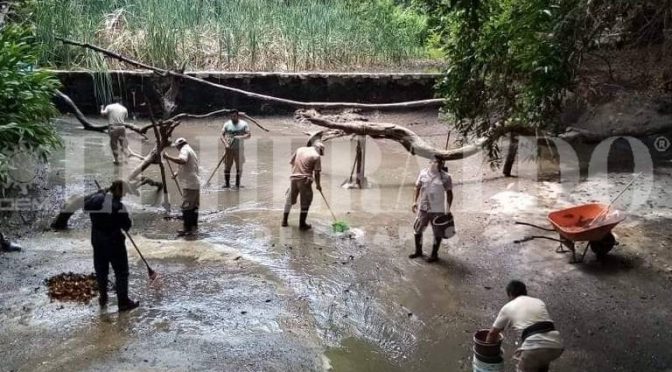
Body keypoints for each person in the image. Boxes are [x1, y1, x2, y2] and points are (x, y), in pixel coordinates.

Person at [83, 180, 139, 312]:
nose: (124, 195)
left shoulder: (96, 200)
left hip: (97, 241)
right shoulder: (119, 207)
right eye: (123, 192)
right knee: (121, 272)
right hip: (114, 243)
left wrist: (98, 194)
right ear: (118, 191)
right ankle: (123, 302)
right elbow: (127, 226)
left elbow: (85, 206)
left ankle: (103, 298)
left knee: (101, 270)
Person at [486, 280, 564, 372]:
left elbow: (492, 333)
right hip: (556, 346)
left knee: (530, 362)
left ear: (510, 294)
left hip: (534, 347)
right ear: (525, 292)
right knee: (541, 365)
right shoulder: (539, 301)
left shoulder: (508, 307)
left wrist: (487, 354)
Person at [410, 158, 453, 262]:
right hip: (423, 208)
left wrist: (448, 209)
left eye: (439, 162)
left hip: (438, 210)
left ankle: (434, 255)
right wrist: (414, 201)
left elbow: (449, 193)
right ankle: (418, 251)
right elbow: (417, 187)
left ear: (442, 164)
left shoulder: (446, 177)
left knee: (437, 233)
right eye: (433, 161)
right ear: (430, 162)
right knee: (418, 230)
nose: (435, 164)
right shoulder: (423, 173)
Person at [282, 141, 324, 230]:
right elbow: (317, 173)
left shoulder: (299, 149)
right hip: (305, 180)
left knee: (289, 200)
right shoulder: (316, 156)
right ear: (319, 149)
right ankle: (302, 224)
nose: (320, 154)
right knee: (306, 202)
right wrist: (318, 185)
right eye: (321, 152)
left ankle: (284, 221)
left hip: (293, 178)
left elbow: (292, 162)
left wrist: (295, 175)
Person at [163, 137, 200, 236]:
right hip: (194, 183)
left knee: (186, 208)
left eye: (177, 147)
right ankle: (193, 228)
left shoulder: (184, 150)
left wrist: (168, 157)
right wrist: (176, 173)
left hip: (190, 184)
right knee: (193, 207)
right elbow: (188, 165)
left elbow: (182, 161)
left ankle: (187, 230)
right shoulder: (190, 150)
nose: (177, 149)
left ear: (180, 145)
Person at [220, 110, 251, 189]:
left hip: (239, 149)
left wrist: (240, 137)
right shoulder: (227, 124)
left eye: (234, 116)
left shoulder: (244, 124)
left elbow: (249, 135)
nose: (232, 118)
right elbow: (221, 136)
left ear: (238, 116)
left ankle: (237, 184)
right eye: (231, 116)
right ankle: (227, 184)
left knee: (239, 167)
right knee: (227, 166)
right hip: (228, 148)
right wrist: (226, 144)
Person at [101, 98, 131, 165]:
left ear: (113, 101)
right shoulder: (124, 108)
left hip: (113, 127)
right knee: (123, 144)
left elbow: (103, 114)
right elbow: (126, 117)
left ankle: (116, 160)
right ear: (120, 102)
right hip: (122, 127)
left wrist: (102, 108)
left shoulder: (109, 106)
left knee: (114, 144)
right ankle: (126, 159)